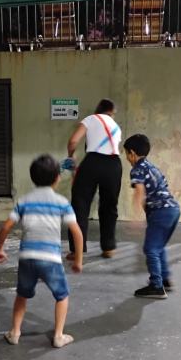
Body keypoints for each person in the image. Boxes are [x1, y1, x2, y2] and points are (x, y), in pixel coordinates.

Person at [0, 155, 83, 348]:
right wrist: (78, 259)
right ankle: (58, 336)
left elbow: (6, 226)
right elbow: (77, 232)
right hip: (50, 258)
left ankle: (15, 333)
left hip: (27, 257)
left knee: (22, 295)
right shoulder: (62, 202)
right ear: (57, 178)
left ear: (32, 177)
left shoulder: (24, 200)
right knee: (62, 295)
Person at [124, 134, 180, 298]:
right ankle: (165, 279)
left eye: (126, 153)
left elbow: (140, 191)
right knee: (158, 246)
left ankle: (156, 285)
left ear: (132, 153)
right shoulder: (153, 168)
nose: (127, 158)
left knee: (151, 249)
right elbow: (164, 188)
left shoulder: (137, 169)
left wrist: (136, 216)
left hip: (160, 212)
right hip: (173, 209)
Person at [66, 98, 122, 259]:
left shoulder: (91, 119)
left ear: (98, 109)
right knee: (109, 206)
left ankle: (77, 249)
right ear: (112, 112)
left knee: (80, 205)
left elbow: (73, 141)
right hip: (114, 165)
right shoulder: (116, 126)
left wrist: (71, 155)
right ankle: (108, 247)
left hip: (92, 162)